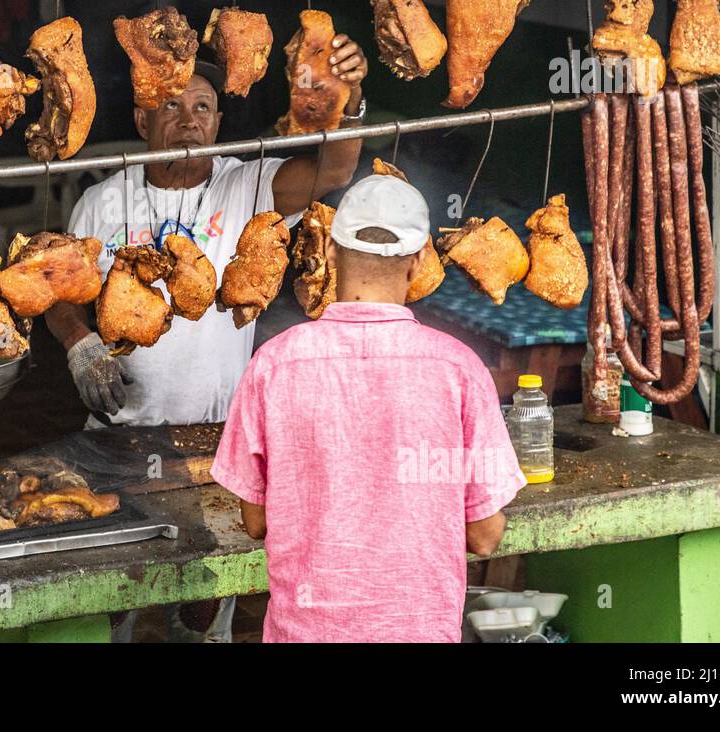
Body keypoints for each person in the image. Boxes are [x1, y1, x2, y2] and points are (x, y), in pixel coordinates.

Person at [45, 38, 368, 641]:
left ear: (220, 122)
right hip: (117, 440)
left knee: (202, 613)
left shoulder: (247, 186)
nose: (188, 119)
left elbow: (336, 169)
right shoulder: (100, 202)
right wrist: (79, 343)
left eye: (203, 106)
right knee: (112, 603)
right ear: (142, 118)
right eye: (171, 106)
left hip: (216, 442)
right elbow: (60, 297)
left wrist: (349, 106)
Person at [210, 174, 528, 642]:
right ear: (420, 260)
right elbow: (484, 536)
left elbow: (256, 521)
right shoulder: (459, 370)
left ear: (332, 253)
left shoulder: (273, 364)